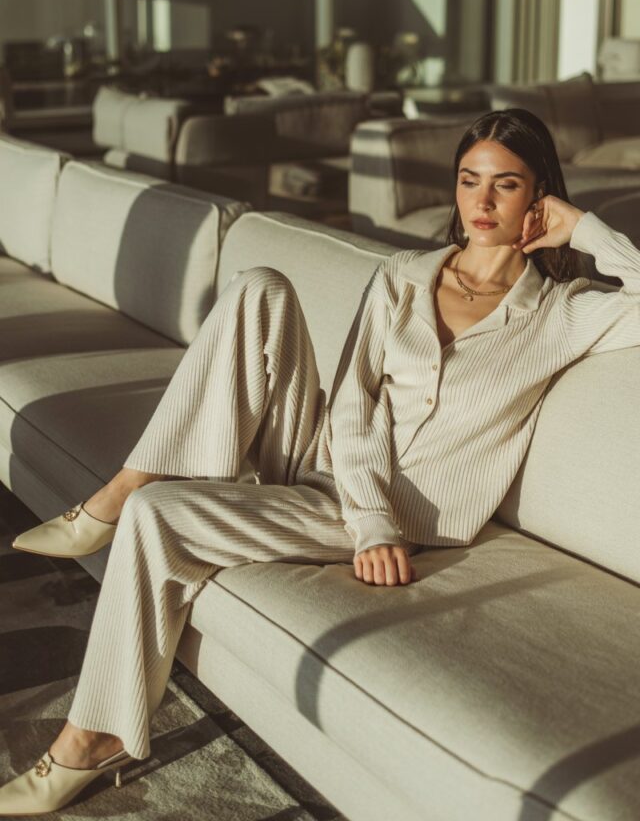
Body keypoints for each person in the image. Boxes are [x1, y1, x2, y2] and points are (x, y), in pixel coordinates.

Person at [2, 108, 640, 815]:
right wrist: (361, 505)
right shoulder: (404, 274)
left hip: (392, 512)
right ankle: (122, 487)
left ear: (538, 197)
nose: (482, 202)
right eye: (468, 180)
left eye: (507, 185)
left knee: (161, 516)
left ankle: (92, 738)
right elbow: (354, 402)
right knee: (260, 285)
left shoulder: (562, 315)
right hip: (323, 459)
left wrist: (582, 228)